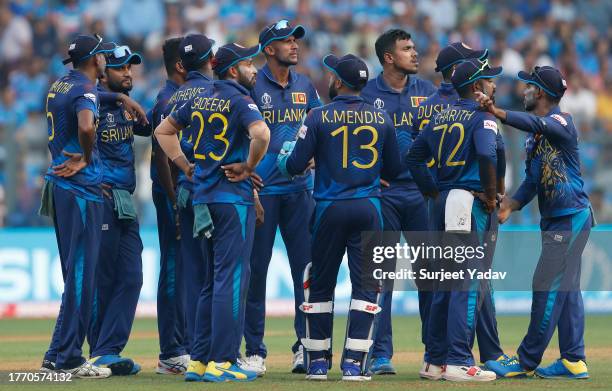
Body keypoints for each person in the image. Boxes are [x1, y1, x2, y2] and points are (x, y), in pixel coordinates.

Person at [278, 53, 401, 381]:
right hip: (369, 208)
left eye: (332, 74)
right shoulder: (382, 118)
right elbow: (394, 168)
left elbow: (293, 166)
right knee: (366, 286)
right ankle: (354, 365)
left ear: (340, 82)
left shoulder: (317, 117)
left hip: (329, 208)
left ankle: (318, 363)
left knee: (319, 284)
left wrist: (285, 156)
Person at [155, 42, 270, 383]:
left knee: (208, 282)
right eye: (250, 64)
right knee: (231, 280)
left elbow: (163, 131)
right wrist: (250, 167)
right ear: (233, 69)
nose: (255, 70)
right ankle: (223, 361)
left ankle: (199, 360)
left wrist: (184, 165)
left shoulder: (195, 97)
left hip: (201, 198)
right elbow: (261, 133)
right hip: (231, 200)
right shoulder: (239, 98)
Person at [478, 66, 593, 380]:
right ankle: (573, 360)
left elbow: (535, 121)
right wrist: (511, 205)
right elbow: (532, 182)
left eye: (527, 87)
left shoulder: (561, 122)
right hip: (559, 220)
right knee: (566, 290)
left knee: (546, 286)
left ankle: (526, 360)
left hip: (570, 218)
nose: (522, 92)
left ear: (539, 92)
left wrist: (498, 112)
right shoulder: (536, 136)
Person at [412, 42, 508, 380]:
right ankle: (457, 360)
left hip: (441, 203)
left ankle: (434, 360)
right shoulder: (481, 117)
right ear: (477, 86)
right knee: (466, 284)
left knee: (443, 283)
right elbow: (486, 155)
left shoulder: (440, 115)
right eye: (488, 80)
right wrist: (492, 194)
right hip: (467, 202)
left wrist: (433, 190)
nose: (492, 85)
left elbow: (413, 156)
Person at [241, 19, 321, 376]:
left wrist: (318, 152)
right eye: (286, 41)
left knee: (305, 273)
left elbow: (319, 126)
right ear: (268, 49)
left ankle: (303, 347)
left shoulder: (305, 85)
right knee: (256, 273)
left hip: (299, 193)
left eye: (295, 40)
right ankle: (254, 350)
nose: (294, 45)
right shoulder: (253, 84)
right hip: (262, 193)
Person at [359, 29, 436, 375]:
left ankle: (435, 353)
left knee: (430, 277)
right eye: (407, 49)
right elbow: (354, 148)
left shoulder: (429, 93)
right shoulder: (365, 95)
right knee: (382, 279)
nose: (415, 53)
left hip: (422, 196)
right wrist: (370, 177)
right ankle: (380, 354)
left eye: (414, 47)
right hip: (383, 196)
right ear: (388, 57)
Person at [39, 34, 113, 378]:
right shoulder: (86, 91)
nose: (106, 60)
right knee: (83, 276)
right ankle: (69, 356)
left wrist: (119, 100)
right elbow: (86, 124)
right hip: (81, 189)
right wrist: (85, 158)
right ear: (94, 59)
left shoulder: (59, 85)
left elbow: (84, 100)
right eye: (102, 55)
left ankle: (56, 352)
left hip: (60, 187)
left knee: (75, 275)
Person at [86, 43, 147, 376]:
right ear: (103, 71)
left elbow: (151, 127)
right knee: (103, 277)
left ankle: (107, 349)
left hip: (125, 200)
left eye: (130, 68)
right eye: (121, 68)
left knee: (132, 277)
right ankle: (99, 350)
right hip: (101, 201)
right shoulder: (91, 101)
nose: (128, 73)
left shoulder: (125, 106)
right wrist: (119, 99)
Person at [167, 33, 215, 367]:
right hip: (214, 191)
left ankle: (192, 349)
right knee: (218, 275)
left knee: (192, 276)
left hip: (184, 190)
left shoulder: (170, 96)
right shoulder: (219, 93)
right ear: (211, 61)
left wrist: (182, 173)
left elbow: (160, 145)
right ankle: (212, 350)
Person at [149, 36, 191, 375]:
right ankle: (172, 350)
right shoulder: (168, 100)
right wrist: (174, 198)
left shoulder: (184, 97)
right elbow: (161, 154)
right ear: (181, 65)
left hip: (182, 192)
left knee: (187, 268)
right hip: (171, 194)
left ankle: (185, 343)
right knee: (175, 268)